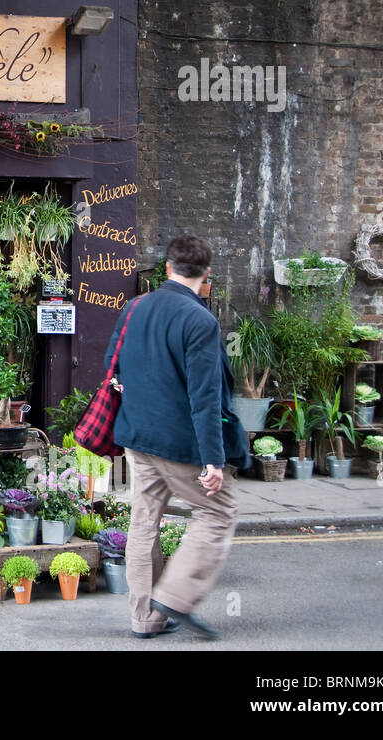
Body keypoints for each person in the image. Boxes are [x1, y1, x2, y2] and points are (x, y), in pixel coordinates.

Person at [103, 234, 238, 640]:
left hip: (136, 436)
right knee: (219, 511)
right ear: (207, 275)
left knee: (145, 521)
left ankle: (145, 619)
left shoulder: (135, 308)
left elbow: (116, 370)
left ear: (167, 268)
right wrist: (213, 460)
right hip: (178, 444)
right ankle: (176, 598)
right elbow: (205, 397)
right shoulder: (200, 321)